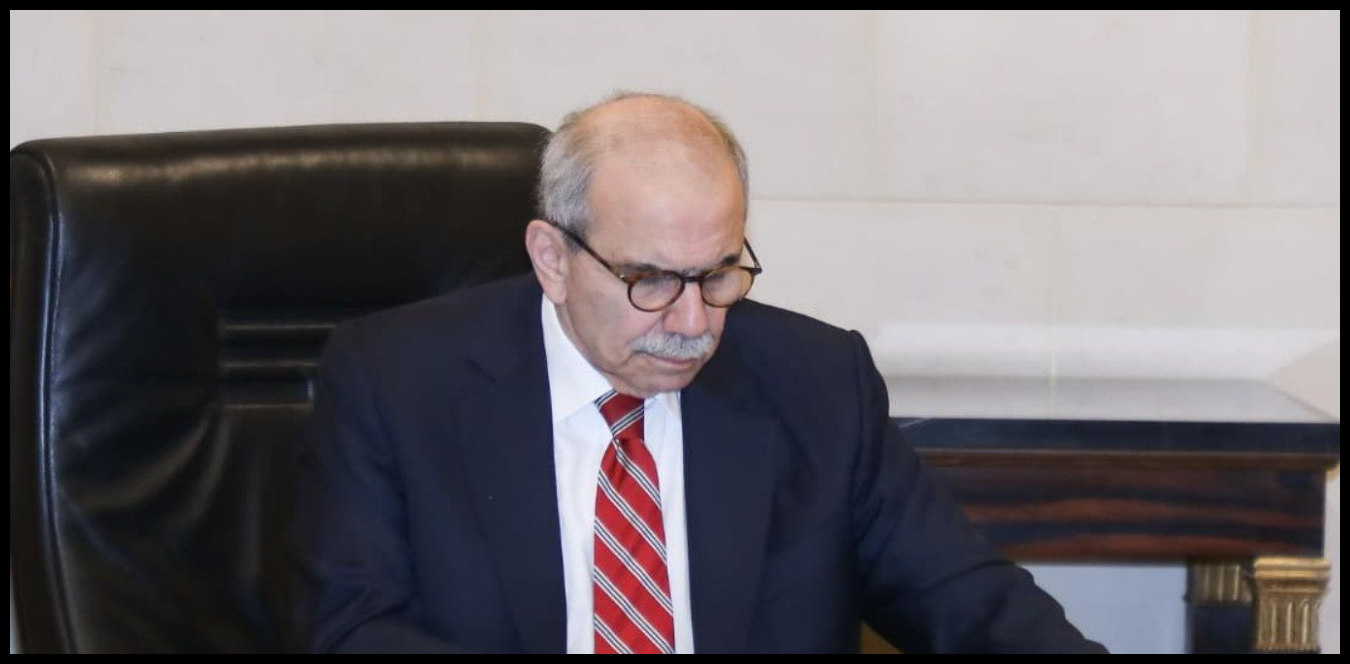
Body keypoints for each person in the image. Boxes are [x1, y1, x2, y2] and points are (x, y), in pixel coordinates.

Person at [292, 92, 1106, 653]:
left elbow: (964, 597)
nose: (692, 323)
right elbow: (351, 628)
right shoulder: (398, 382)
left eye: (718, 274)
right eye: (648, 280)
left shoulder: (818, 385)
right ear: (553, 259)